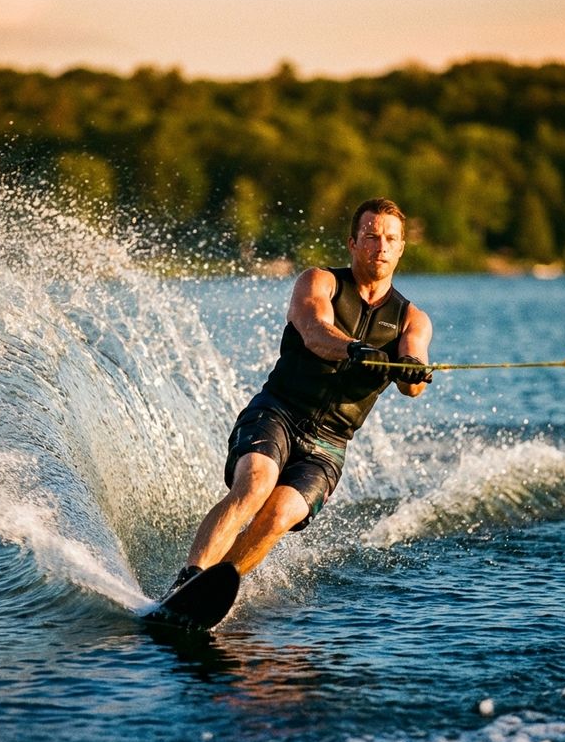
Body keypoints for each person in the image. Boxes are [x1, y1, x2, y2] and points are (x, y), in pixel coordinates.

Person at [164, 197, 433, 594]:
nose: (381, 247)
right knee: (256, 483)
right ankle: (186, 580)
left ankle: (213, 591)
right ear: (353, 243)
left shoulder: (412, 318)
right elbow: (313, 330)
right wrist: (354, 349)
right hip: (278, 413)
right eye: (371, 236)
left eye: (390, 239)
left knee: (280, 514)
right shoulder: (320, 281)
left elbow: (413, 383)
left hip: (330, 443)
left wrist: (410, 368)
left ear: (401, 247)